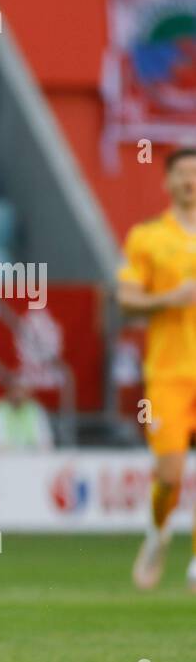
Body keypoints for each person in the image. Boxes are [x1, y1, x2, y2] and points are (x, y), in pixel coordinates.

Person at [119, 147, 196, 590]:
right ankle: (158, 534)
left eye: (195, 174)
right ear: (167, 181)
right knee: (169, 475)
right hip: (168, 373)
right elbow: (126, 298)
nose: (189, 181)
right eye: (182, 173)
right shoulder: (147, 237)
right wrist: (167, 299)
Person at [0, 378, 53, 451]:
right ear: (8, 391)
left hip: (32, 457)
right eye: (15, 390)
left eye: (22, 390)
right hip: (4, 458)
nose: (18, 394)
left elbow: (45, 439)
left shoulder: (35, 409)